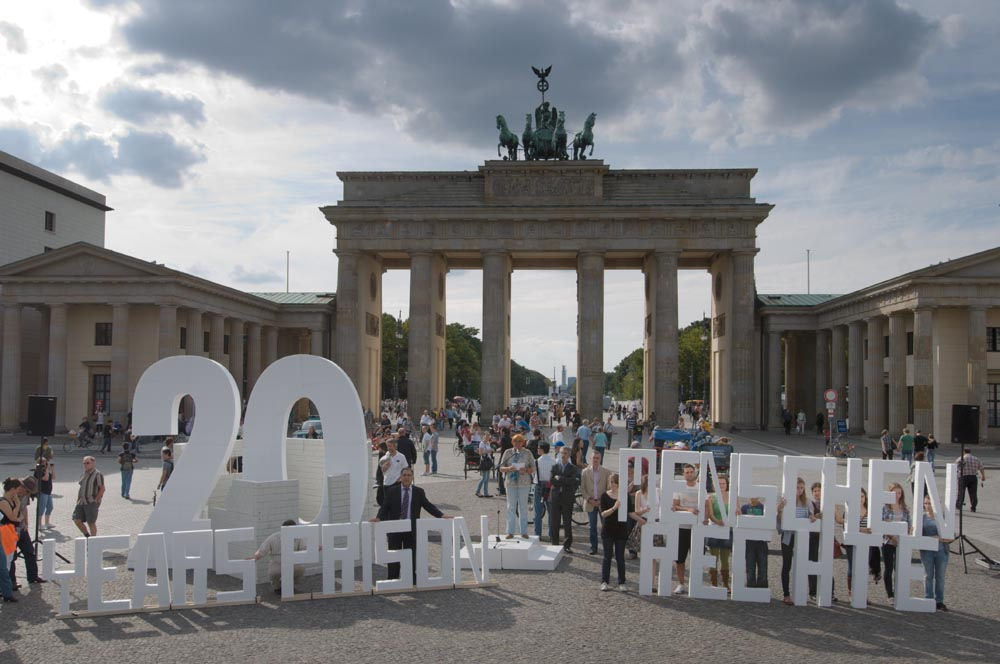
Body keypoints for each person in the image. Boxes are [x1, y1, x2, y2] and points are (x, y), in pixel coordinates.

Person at [372, 467, 447, 583]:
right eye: (404, 475)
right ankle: (393, 579)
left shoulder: (419, 492)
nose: (406, 477)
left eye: (409, 475)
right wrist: (378, 518)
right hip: (395, 528)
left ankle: (411, 579)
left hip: (411, 529)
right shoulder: (392, 491)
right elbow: (385, 507)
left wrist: (441, 515)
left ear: (412, 478)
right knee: (393, 555)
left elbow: (428, 506)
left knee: (411, 555)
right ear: (400, 477)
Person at [777, 477, 813, 605]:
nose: (800, 490)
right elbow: (780, 522)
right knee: (787, 565)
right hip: (788, 537)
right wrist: (779, 510)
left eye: (802, 488)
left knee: (802, 565)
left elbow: (811, 517)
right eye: (797, 487)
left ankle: (802, 592)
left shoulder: (807, 503)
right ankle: (786, 594)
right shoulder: (785, 501)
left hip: (801, 538)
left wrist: (813, 517)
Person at [247, 519, 306, 595]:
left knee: (300, 569)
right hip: (277, 561)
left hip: (292, 561)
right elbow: (262, 551)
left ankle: (291, 585)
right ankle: (277, 587)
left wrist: (316, 547)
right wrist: (253, 558)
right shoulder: (274, 537)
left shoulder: (298, 538)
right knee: (274, 573)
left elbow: (304, 548)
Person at [599, 473, 637, 592]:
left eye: (615, 483)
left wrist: (641, 518)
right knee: (607, 556)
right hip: (608, 529)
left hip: (621, 530)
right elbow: (603, 514)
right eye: (611, 483)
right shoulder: (604, 496)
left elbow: (631, 512)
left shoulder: (624, 496)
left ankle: (622, 582)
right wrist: (614, 508)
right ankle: (604, 581)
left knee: (620, 557)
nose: (613, 486)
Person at [8, 477, 45, 588]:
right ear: (21, 487)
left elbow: (25, 509)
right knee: (12, 557)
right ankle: (12, 582)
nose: (27, 493)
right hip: (11, 530)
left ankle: (33, 577)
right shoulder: (11, 496)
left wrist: (26, 523)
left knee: (29, 552)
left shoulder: (26, 495)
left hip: (22, 528)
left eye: (29, 492)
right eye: (27, 490)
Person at [499, 434, 536, 539]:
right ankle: (510, 531)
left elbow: (533, 468)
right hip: (511, 482)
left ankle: (523, 531)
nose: (518, 443)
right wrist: (509, 468)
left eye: (520, 441)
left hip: (524, 482)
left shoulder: (527, 453)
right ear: (512, 442)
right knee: (511, 507)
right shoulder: (508, 452)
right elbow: (501, 468)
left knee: (523, 507)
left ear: (523, 442)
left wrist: (526, 470)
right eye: (515, 441)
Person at [671, 463, 701, 595]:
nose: (689, 474)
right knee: (680, 558)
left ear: (694, 473)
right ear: (683, 474)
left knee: (697, 557)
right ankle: (681, 584)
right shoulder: (678, 489)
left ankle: (695, 584)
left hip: (697, 528)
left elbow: (706, 505)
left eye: (691, 472)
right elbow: (675, 506)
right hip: (682, 527)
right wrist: (688, 509)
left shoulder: (700, 488)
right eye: (687, 472)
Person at [919, 495, 952, 611]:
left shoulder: (942, 518)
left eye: (930, 503)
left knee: (940, 576)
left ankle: (939, 601)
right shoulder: (922, 518)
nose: (928, 506)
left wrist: (938, 538)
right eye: (926, 503)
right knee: (928, 575)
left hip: (941, 550)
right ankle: (928, 598)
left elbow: (950, 537)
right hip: (927, 551)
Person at [881, 482, 910, 601]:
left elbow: (909, 524)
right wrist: (892, 537)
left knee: (900, 568)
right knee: (889, 568)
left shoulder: (905, 509)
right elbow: (882, 524)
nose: (897, 495)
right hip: (888, 541)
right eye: (894, 492)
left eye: (899, 492)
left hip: (901, 542)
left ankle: (899, 592)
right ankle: (890, 594)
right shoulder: (885, 508)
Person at [580, 450, 612, 555]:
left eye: (597, 458)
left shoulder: (607, 472)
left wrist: (601, 500)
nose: (595, 460)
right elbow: (583, 489)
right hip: (590, 503)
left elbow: (609, 488)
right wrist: (589, 499)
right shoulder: (585, 472)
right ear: (590, 458)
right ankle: (594, 547)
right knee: (592, 527)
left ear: (601, 459)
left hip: (603, 504)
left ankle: (608, 549)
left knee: (606, 526)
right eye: (594, 458)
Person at [705, 475, 732, 593]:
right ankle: (714, 583)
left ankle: (726, 584)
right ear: (714, 485)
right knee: (713, 557)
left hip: (727, 530)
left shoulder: (732, 497)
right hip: (714, 528)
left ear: (727, 485)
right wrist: (718, 522)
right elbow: (710, 513)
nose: (721, 486)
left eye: (723, 484)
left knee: (725, 558)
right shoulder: (711, 498)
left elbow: (738, 512)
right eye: (719, 484)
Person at [549, 445, 579, 552]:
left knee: (567, 522)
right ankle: (555, 544)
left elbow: (572, 482)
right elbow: (552, 481)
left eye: (565, 453)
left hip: (567, 498)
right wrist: (564, 480)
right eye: (561, 453)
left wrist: (561, 478)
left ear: (569, 455)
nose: (563, 455)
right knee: (554, 522)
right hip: (555, 497)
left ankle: (567, 545)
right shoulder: (555, 467)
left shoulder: (573, 468)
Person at [1, 477, 24, 602]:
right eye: (18, 489)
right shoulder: (3, 501)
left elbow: (19, 516)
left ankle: (6, 589)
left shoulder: (11, 500)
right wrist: (18, 504)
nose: (18, 492)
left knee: (9, 560)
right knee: (5, 562)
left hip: (11, 531)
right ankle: (5, 590)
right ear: (13, 489)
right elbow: (13, 517)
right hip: (5, 532)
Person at [73, 456, 104, 537]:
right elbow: (81, 487)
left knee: (91, 523)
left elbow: (102, 488)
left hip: (91, 502)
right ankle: (87, 536)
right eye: (84, 463)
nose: (85, 465)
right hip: (81, 501)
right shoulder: (83, 474)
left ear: (93, 463)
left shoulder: (97, 474)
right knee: (76, 519)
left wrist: (96, 500)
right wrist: (78, 499)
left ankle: (93, 542)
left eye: (87, 463)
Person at [740, 496, 768, 588]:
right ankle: (750, 585)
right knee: (750, 564)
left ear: (758, 497)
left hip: (761, 541)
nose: (753, 498)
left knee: (763, 564)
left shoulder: (763, 508)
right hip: (749, 541)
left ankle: (762, 585)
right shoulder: (744, 508)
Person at [534, 442, 555, 539]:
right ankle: (551, 534)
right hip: (550, 486)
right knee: (551, 512)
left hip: (539, 485)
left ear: (542, 450)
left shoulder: (537, 461)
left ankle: (538, 534)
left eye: (538, 448)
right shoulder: (553, 461)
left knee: (538, 512)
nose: (537, 449)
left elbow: (534, 477)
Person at [956, 448, 985, 512]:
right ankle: (973, 507)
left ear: (964, 452)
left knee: (961, 492)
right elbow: (981, 467)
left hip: (963, 477)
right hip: (973, 477)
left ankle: (959, 505)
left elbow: (955, 466)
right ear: (970, 452)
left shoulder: (961, 458)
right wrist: (983, 475)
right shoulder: (976, 459)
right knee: (973, 493)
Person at [33, 457, 55, 529]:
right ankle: (39, 524)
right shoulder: (37, 471)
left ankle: (47, 523)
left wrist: (52, 469)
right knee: (41, 508)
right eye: (42, 463)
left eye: (45, 463)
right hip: (42, 492)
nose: (44, 464)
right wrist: (46, 470)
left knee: (50, 507)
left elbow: (53, 477)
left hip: (48, 492)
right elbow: (46, 478)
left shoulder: (46, 471)